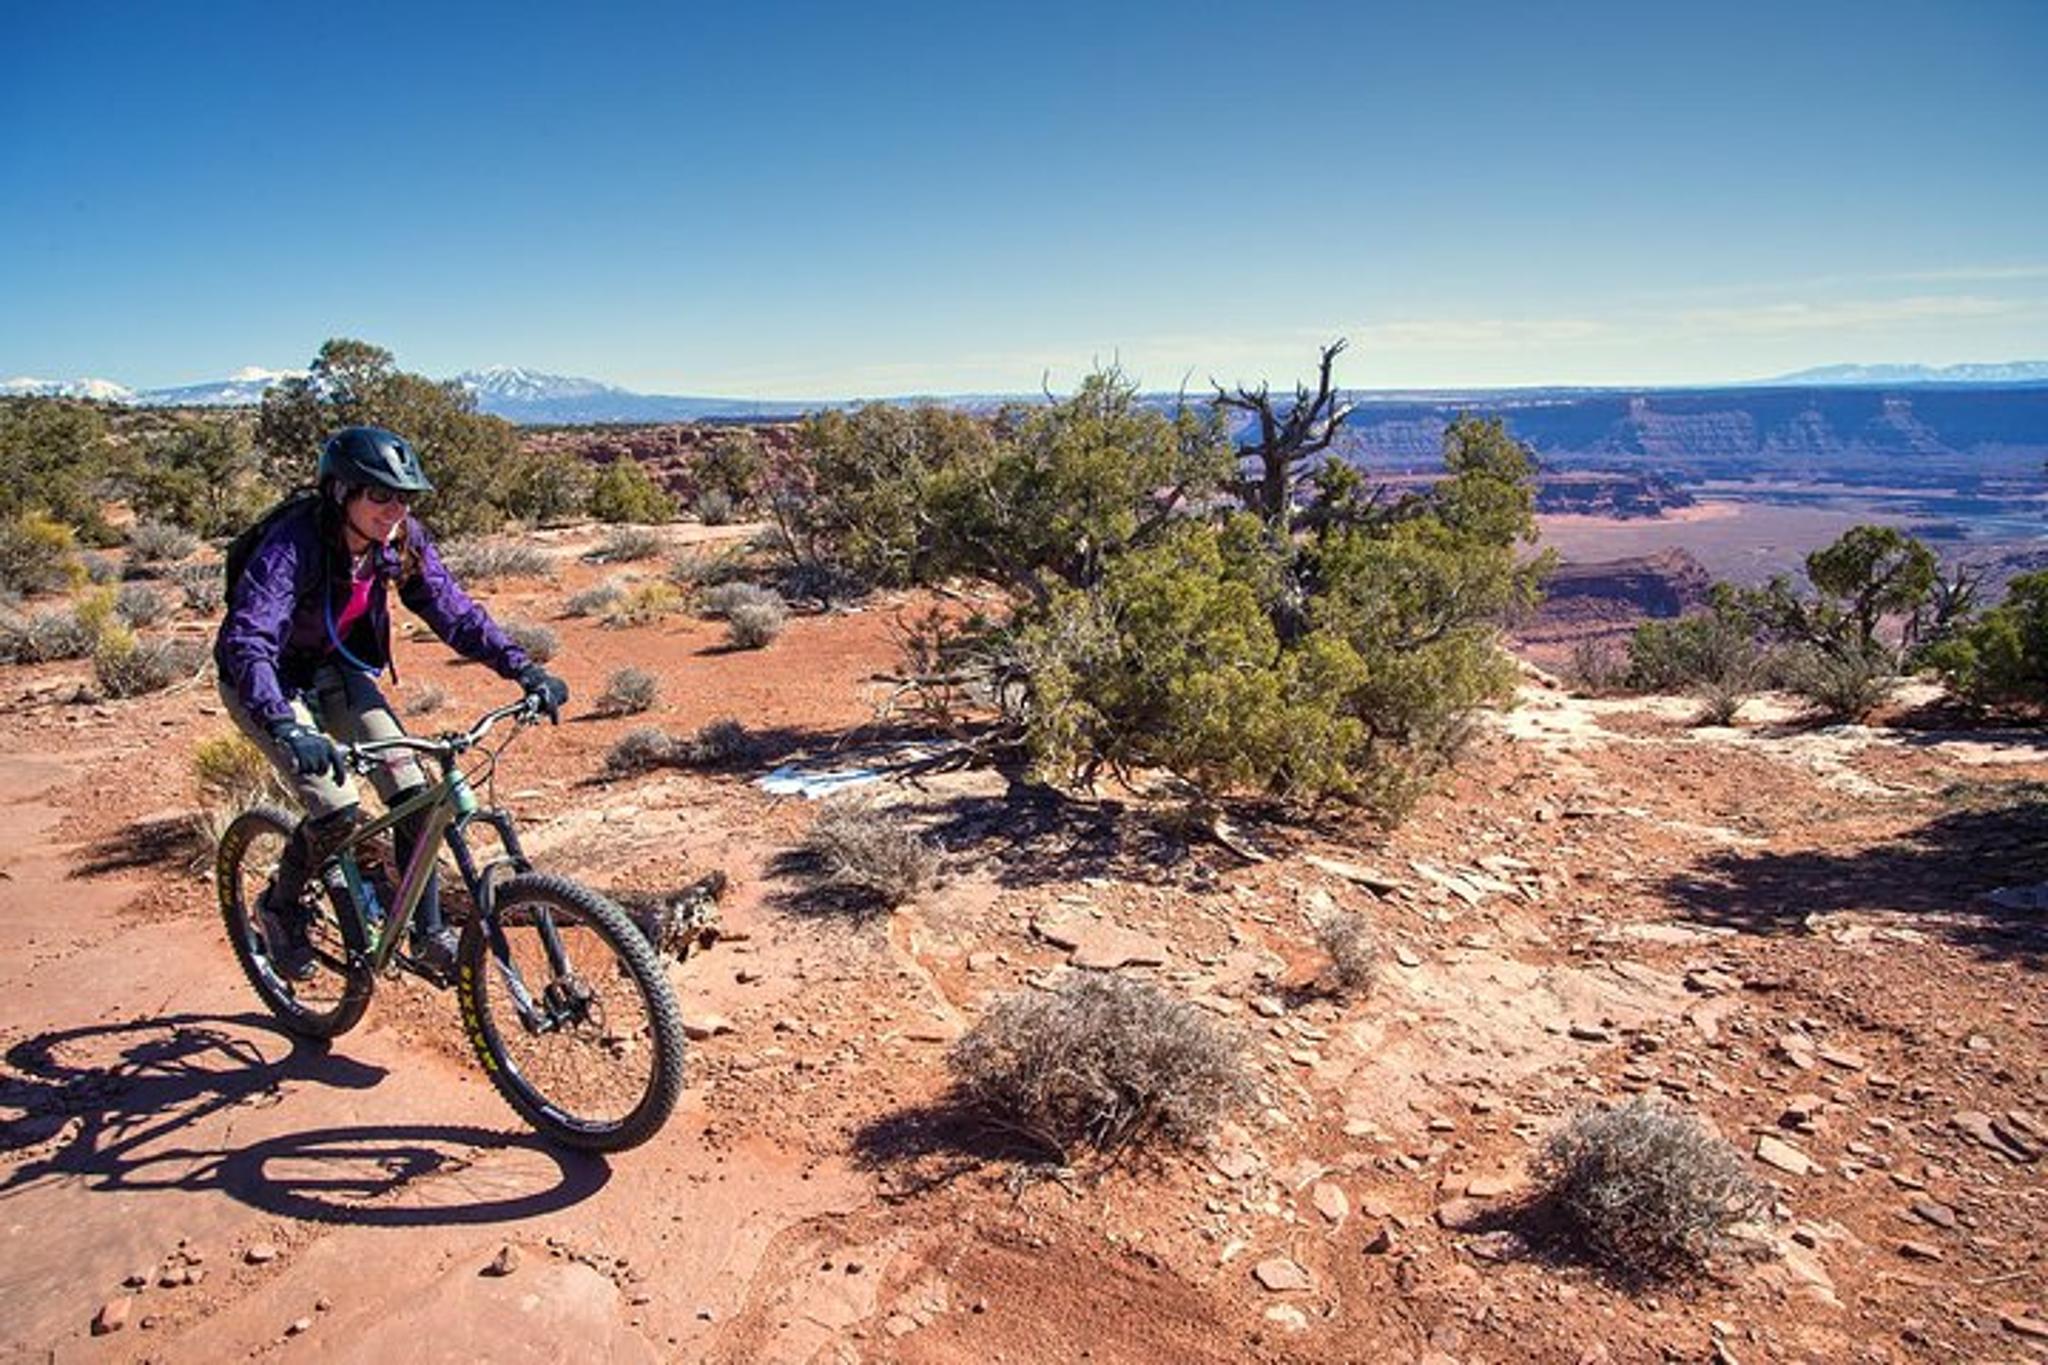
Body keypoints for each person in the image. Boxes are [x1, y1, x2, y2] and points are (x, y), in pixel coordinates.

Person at [214, 425, 568, 980]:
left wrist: (522, 667)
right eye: (379, 495)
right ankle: (280, 908)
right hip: (267, 683)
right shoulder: (293, 543)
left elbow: (454, 611)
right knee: (335, 808)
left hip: (338, 671)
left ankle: (429, 934)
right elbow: (250, 637)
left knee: (419, 799)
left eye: (404, 496)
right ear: (339, 492)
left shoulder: (400, 541)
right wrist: (286, 726)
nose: (394, 509)